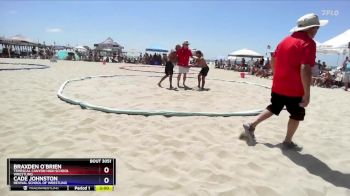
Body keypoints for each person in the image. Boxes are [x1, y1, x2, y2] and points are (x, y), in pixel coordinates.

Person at [241, 13, 328, 150]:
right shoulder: (308, 43)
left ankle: (251, 125)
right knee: (297, 113)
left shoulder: (284, 40)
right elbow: (305, 68)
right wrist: (307, 93)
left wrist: (277, 75)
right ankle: (287, 141)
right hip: (294, 89)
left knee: (273, 107)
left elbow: (273, 59)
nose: (317, 30)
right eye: (316, 27)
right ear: (310, 28)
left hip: (278, 85)